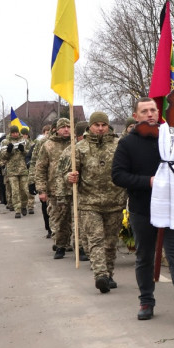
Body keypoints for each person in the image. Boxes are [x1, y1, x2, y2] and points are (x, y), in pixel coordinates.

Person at [112, 97, 174, 323]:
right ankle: (146, 301)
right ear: (136, 116)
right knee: (145, 256)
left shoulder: (170, 138)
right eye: (145, 111)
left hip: (171, 207)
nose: (150, 114)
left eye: (153, 110)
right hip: (142, 208)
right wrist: (149, 181)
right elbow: (118, 175)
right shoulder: (127, 143)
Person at [66, 111, 126, 293]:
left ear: (108, 126)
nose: (100, 128)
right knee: (96, 239)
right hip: (89, 202)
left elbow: (127, 169)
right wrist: (70, 177)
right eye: (96, 125)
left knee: (110, 242)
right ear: (90, 126)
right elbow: (67, 173)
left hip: (115, 201)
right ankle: (100, 275)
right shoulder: (79, 148)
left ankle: (109, 274)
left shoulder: (119, 145)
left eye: (103, 125)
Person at [34, 119, 74, 258]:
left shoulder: (75, 144)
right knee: (59, 219)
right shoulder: (48, 145)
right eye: (63, 127)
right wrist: (41, 190)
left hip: (74, 188)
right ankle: (60, 245)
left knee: (76, 219)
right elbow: (40, 168)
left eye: (68, 127)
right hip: (55, 189)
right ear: (56, 129)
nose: (66, 129)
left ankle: (79, 246)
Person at [0, 126, 29, 215]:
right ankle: (17, 209)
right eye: (13, 133)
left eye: (16, 132)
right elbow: (3, 156)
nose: (15, 134)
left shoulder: (24, 140)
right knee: (15, 191)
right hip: (11, 171)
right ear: (10, 133)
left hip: (22, 169)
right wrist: (8, 151)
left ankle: (23, 205)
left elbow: (29, 154)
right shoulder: (6, 142)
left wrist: (23, 150)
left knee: (24, 190)